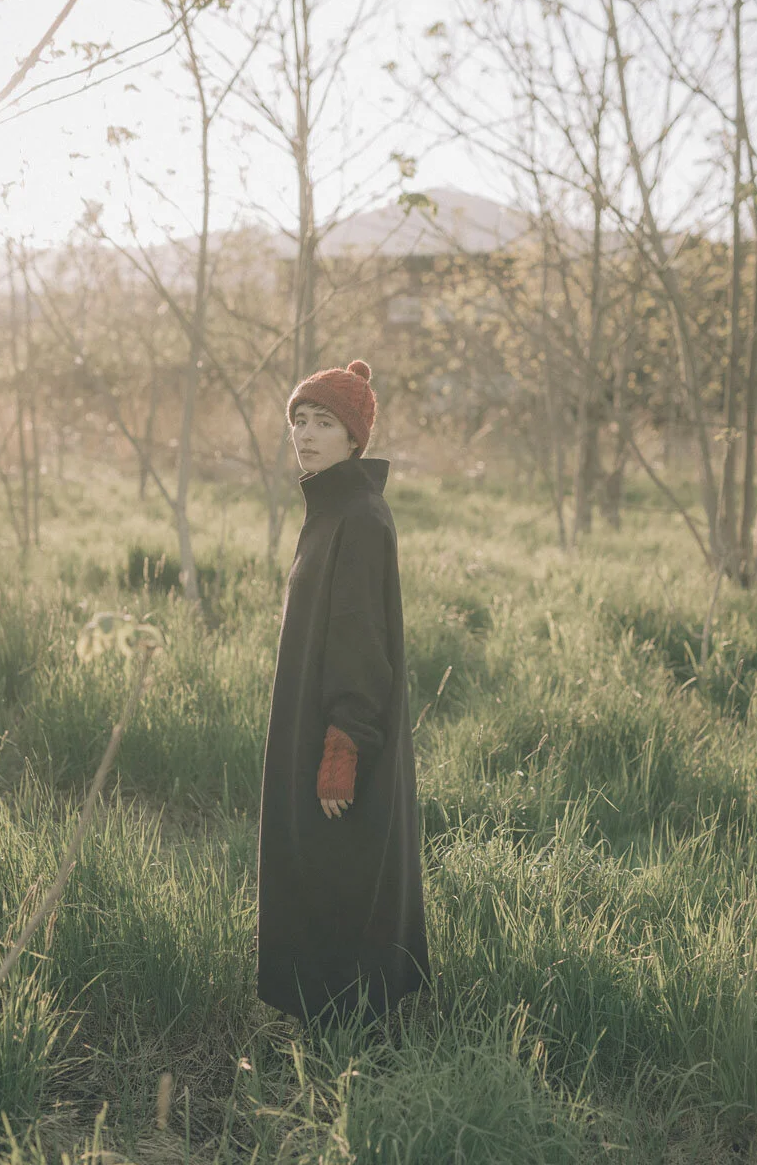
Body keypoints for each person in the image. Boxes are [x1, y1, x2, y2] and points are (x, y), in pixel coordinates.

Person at [257, 358, 430, 1027]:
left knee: (340, 866)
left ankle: (350, 1024)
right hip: (310, 714)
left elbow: (361, 637)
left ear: (354, 438)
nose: (304, 433)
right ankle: (323, 1014)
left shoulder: (358, 516)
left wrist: (344, 741)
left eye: (323, 422)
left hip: (337, 726)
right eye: (298, 420)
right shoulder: (329, 506)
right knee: (315, 863)